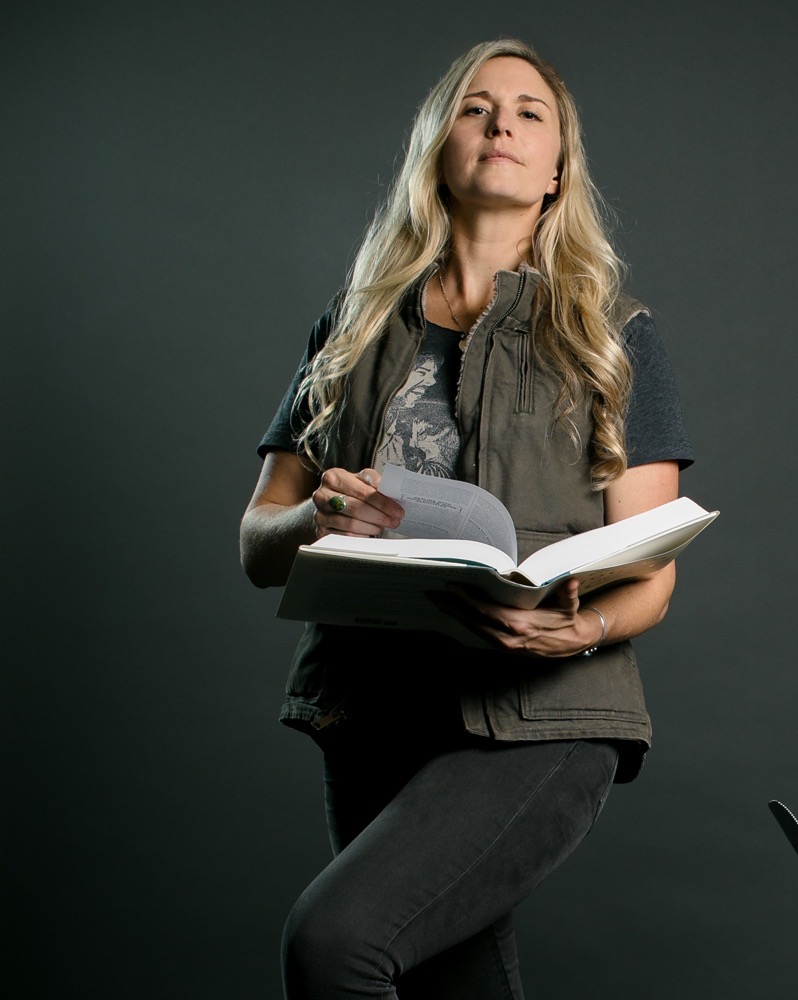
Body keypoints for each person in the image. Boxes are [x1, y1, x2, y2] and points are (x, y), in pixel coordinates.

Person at [239, 38, 692, 999]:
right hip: (372, 712)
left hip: (544, 714)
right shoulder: (353, 325)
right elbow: (256, 543)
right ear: (437, 146)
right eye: (476, 108)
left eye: (530, 113)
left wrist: (585, 625)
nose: (501, 126)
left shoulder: (615, 335)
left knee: (338, 944)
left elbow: (650, 564)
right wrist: (318, 517)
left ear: (558, 167)